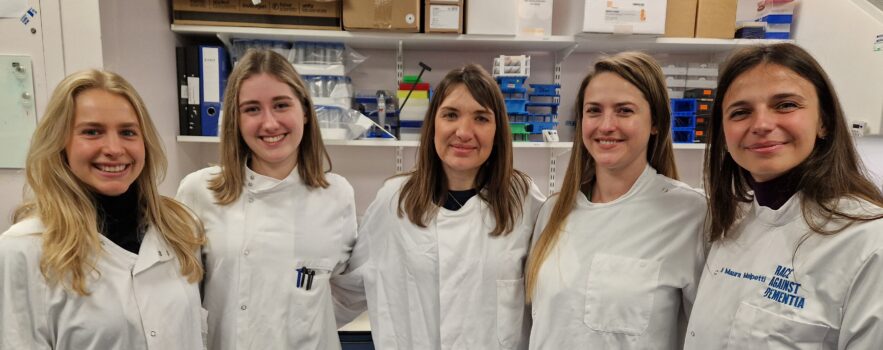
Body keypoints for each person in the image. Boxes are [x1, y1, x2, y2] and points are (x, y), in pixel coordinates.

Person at [685, 43, 883, 348]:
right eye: (741, 112)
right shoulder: (729, 225)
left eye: (786, 105)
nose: (761, 125)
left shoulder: (869, 243)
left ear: (824, 122)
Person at [343, 64, 546, 349]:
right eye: (451, 115)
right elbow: (346, 292)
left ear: (497, 130)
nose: (463, 132)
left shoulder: (522, 199)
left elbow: (551, 294)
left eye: (481, 118)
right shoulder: (394, 200)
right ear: (433, 124)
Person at [0, 69, 207, 349]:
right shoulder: (24, 248)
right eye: (92, 132)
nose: (113, 148)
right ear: (60, 143)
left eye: (127, 132)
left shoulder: (179, 227)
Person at [175, 49, 358, 349]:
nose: (270, 123)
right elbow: (180, 298)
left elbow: (347, 290)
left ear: (305, 111)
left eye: (281, 105)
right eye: (252, 109)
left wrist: (303, 319)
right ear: (235, 120)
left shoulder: (337, 195)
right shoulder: (199, 191)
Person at [524, 52, 707, 349]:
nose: (606, 125)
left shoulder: (689, 214)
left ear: (656, 122)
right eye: (594, 111)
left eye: (624, 111)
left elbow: (705, 334)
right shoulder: (554, 211)